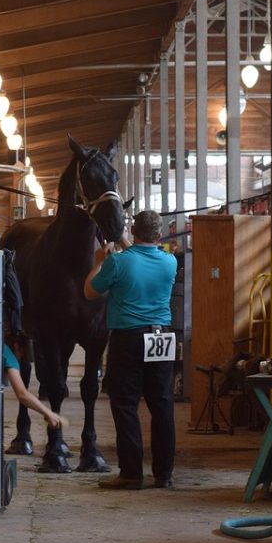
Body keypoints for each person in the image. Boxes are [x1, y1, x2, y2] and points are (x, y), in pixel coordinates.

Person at [83, 210, 179, 490]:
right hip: (162, 335)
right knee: (162, 405)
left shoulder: (117, 262)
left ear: (133, 231)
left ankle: (132, 473)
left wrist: (99, 262)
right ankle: (164, 474)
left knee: (125, 404)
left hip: (129, 337)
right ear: (159, 235)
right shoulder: (170, 262)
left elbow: (90, 291)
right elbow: (142, 256)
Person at [2, 340, 66, 430]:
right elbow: (22, 394)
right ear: (16, 346)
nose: (20, 358)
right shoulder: (8, 355)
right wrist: (49, 413)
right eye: (22, 354)